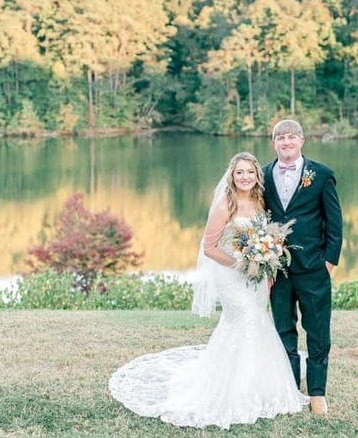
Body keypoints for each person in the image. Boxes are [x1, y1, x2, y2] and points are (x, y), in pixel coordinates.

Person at [109, 152, 308, 429]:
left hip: (256, 279)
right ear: (232, 175)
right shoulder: (225, 204)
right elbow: (209, 247)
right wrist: (240, 262)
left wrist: (265, 264)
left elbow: (267, 239)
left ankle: (261, 388)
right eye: (240, 172)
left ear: (256, 176)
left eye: (250, 172)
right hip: (231, 275)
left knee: (259, 321)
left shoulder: (259, 201)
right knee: (244, 320)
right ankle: (233, 392)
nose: (245, 177)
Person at [262, 119, 343, 415]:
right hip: (276, 269)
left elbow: (335, 222)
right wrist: (263, 262)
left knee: (318, 329)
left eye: (291, 137)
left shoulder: (321, 175)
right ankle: (291, 387)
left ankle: (318, 392)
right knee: (284, 329)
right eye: (280, 138)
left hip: (313, 268)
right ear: (274, 144)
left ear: (302, 141)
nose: (286, 142)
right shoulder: (263, 175)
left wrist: (329, 262)